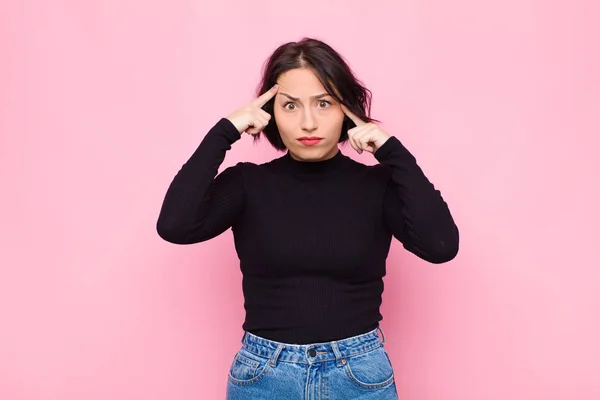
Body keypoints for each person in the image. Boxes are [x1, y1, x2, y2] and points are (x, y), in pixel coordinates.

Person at [156, 37, 459, 399]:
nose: (308, 122)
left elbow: (441, 246)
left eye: (324, 103)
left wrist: (392, 151)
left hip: (359, 375)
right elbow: (175, 225)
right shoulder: (247, 184)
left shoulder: (378, 186)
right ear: (269, 113)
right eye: (290, 106)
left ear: (348, 111)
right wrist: (225, 130)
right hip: (264, 375)